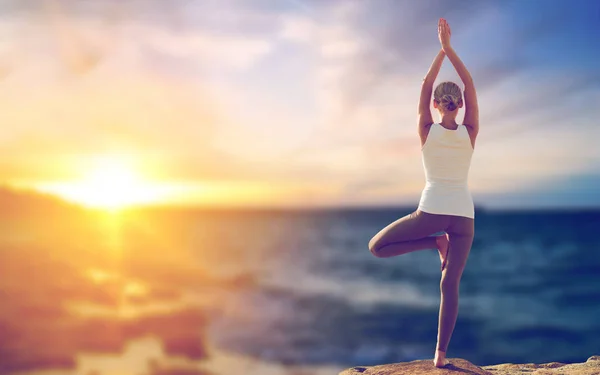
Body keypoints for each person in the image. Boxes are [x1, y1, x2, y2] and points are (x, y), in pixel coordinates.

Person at [367, 18, 479, 368]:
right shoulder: (470, 130)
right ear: (458, 105)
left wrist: (440, 50)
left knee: (377, 247)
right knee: (450, 286)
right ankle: (440, 357)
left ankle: (433, 243)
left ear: (435, 105)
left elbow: (427, 82)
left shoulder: (426, 128)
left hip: (430, 213)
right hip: (463, 217)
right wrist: (450, 50)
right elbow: (470, 83)